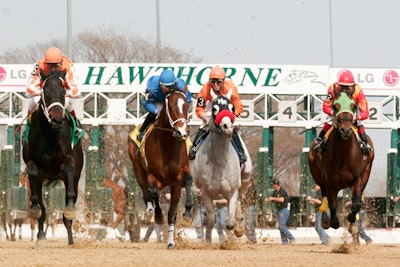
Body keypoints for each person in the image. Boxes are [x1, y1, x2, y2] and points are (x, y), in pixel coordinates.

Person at [188, 66, 247, 164]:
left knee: (230, 127)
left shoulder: (231, 87)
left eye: (218, 82)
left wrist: (234, 114)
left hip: (227, 108)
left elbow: (238, 105)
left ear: (223, 81)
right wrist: (205, 117)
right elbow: (199, 108)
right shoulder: (205, 88)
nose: (215, 85)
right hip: (212, 107)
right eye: (212, 81)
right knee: (203, 125)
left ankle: (240, 152)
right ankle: (195, 147)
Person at [26, 46, 82, 137]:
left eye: (55, 65)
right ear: (45, 63)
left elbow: (77, 91)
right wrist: (40, 92)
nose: (52, 69)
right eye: (49, 65)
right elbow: (28, 89)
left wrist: (66, 93)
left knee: (69, 103)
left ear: (60, 63)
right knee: (33, 102)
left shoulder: (68, 67)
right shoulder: (39, 66)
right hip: (44, 92)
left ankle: (76, 125)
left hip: (62, 91)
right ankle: (28, 127)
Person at [314, 69, 371, 154]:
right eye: (342, 87)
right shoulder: (332, 89)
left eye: (348, 87)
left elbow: (365, 112)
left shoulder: (358, 91)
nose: (344, 90)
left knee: (359, 122)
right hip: (337, 111)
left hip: (352, 112)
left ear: (353, 86)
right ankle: (321, 139)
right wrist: (333, 113)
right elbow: (326, 106)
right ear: (338, 85)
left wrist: (358, 117)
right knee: (329, 119)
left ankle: (364, 142)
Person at [137, 69, 192, 142]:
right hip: (159, 101)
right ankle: (143, 130)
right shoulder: (152, 86)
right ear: (161, 85)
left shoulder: (181, 85)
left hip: (172, 101)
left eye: (171, 86)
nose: (169, 89)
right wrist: (156, 111)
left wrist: (185, 112)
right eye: (167, 87)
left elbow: (187, 100)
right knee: (153, 114)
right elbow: (147, 103)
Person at [265, 179, 295, 245]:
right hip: (279, 210)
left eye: (272, 184)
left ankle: (291, 238)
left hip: (284, 209)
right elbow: (272, 198)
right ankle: (284, 242)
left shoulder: (282, 191)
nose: (272, 186)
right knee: (281, 226)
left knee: (281, 226)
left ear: (276, 184)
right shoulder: (275, 192)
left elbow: (282, 199)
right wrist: (267, 199)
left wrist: (273, 199)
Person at [242, 179, 257, 244]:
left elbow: (249, 199)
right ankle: (249, 238)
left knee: (249, 224)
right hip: (247, 207)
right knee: (246, 224)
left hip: (250, 207)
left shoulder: (252, 190)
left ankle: (252, 239)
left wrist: (243, 196)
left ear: (250, 183)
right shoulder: (247, 190)